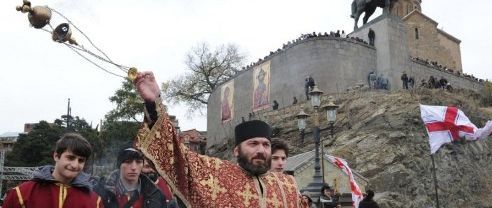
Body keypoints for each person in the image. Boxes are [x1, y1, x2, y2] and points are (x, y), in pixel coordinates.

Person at [133, 71, 304, 207]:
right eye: (253, 144)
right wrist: (153, 104)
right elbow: (177, 156)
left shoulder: (288, 185)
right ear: (237, 150)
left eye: (266, 145)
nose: (261, 150)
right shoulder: (215, 174)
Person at [3, 133, 103, 208]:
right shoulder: (21, 194)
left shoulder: (94, 202)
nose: (75, 165)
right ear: (56, 156)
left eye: (81, 160)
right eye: (70, 158)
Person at [93, 145, 167, 208]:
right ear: (119, 165)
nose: (134, 167)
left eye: (138, 162)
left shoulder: (156, 194)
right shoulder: (100, 192)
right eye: (128, 162)